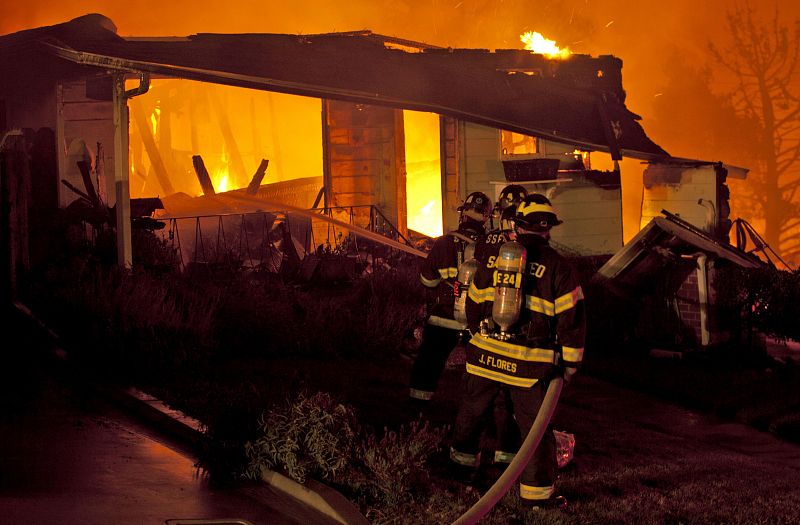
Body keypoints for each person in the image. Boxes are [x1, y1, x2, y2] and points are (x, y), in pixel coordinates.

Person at [450, 193, 586, 509]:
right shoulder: (559, 268)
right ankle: (536, 497)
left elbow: (473, 302)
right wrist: (570, 366)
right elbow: (572, 320)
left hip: (485, 355)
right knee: (534, 430)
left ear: (517, 225)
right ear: (549, 228)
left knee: (472, 413)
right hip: (530, 365)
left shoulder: (496, 256)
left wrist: (478, 338)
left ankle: (458, 475)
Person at [465, 184, 529, 467]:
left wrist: (472, 325)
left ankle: (466, 457)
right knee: (511, 397)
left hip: (485, 327)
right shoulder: (527, 248)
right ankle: (507, 454)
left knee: (480, 396)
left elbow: (475, 285)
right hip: (516, 328)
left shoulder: (486, 241)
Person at [408, 191, 492, 404]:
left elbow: (427, 281)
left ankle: (418, 406)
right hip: (479, 322)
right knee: (485, 368)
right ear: (487, 217)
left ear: (463, 215)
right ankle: (480, 408)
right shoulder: (491, 247)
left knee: (429, 360)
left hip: (445, 316)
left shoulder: (444, 242)